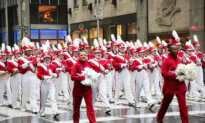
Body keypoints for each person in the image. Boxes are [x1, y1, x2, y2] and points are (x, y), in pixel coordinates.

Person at [156, 42, 189, 123]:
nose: (176, 51)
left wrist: (185, 74)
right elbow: (164, 73)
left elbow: (183, 71)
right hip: (170, 86)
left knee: (183, 106)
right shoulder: (166, 61)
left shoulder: (180, 60)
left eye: (176, 49)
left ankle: (185, 121)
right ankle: (159, 118)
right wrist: (175, 74)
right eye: (173, 49)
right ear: (169, 51)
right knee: (165, 104)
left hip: (180, 85)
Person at [71, 50, 96, 123]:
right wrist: (82, 77)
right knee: (76, 108)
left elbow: (95, 72)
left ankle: (93, 121)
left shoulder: (90, 64)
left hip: (87, 89)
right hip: (77, 90)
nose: (83, 56)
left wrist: (93, 77)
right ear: (78, 56)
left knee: (90, 107)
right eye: (81, 55)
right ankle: (76, 121)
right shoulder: (75, 65)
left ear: (87, 56)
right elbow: (72, 77)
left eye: (84, 55)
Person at [37, 51, 59, 120]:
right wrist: (44, 77)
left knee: (53, 98)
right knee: (43, 99)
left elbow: (57, 74)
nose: (47, 60)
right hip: (44, 83)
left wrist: (54, 74)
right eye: (46, 59)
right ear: (43, 59)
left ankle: (55, 111)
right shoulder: (41, 66)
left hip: (51, 84)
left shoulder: (53, 66)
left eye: (48, 58)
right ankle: (42, 111)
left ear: (50, 59)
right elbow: (38, 75)